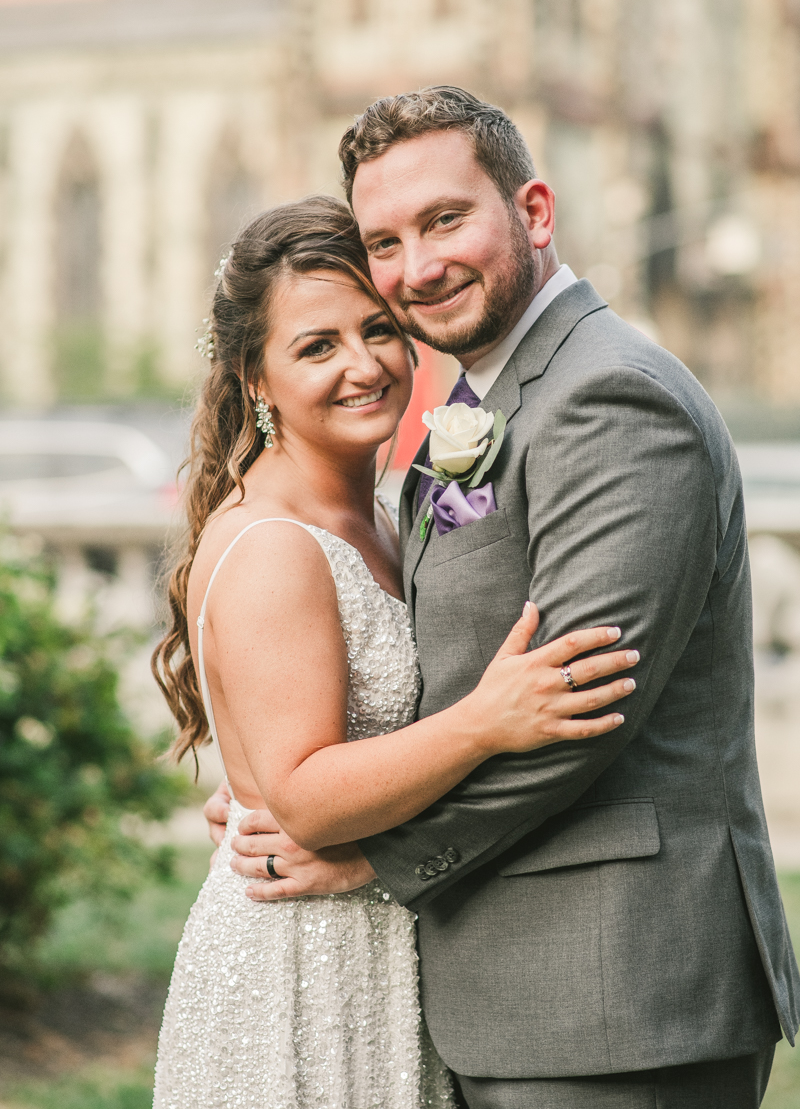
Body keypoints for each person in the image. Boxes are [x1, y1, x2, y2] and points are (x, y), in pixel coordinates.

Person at [207, 87, 800, 1109]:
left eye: (444, 220)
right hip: (506, 986)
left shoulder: (607, 396)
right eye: (385, 240)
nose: (416, 267)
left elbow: (578, 713)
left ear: (531, 210)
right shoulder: (489, 399)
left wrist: (362, 856)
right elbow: (448, 671)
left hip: (615, 993)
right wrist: (285, 769)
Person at [151, 194, 637, 1109]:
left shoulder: (377, 515)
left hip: (382, 948)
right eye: (316, 346)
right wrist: (486, 723)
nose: (364, 365)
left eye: (377, 329)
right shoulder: (275, 546)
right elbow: (302, 796)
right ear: (254, 378)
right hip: (298, 970)